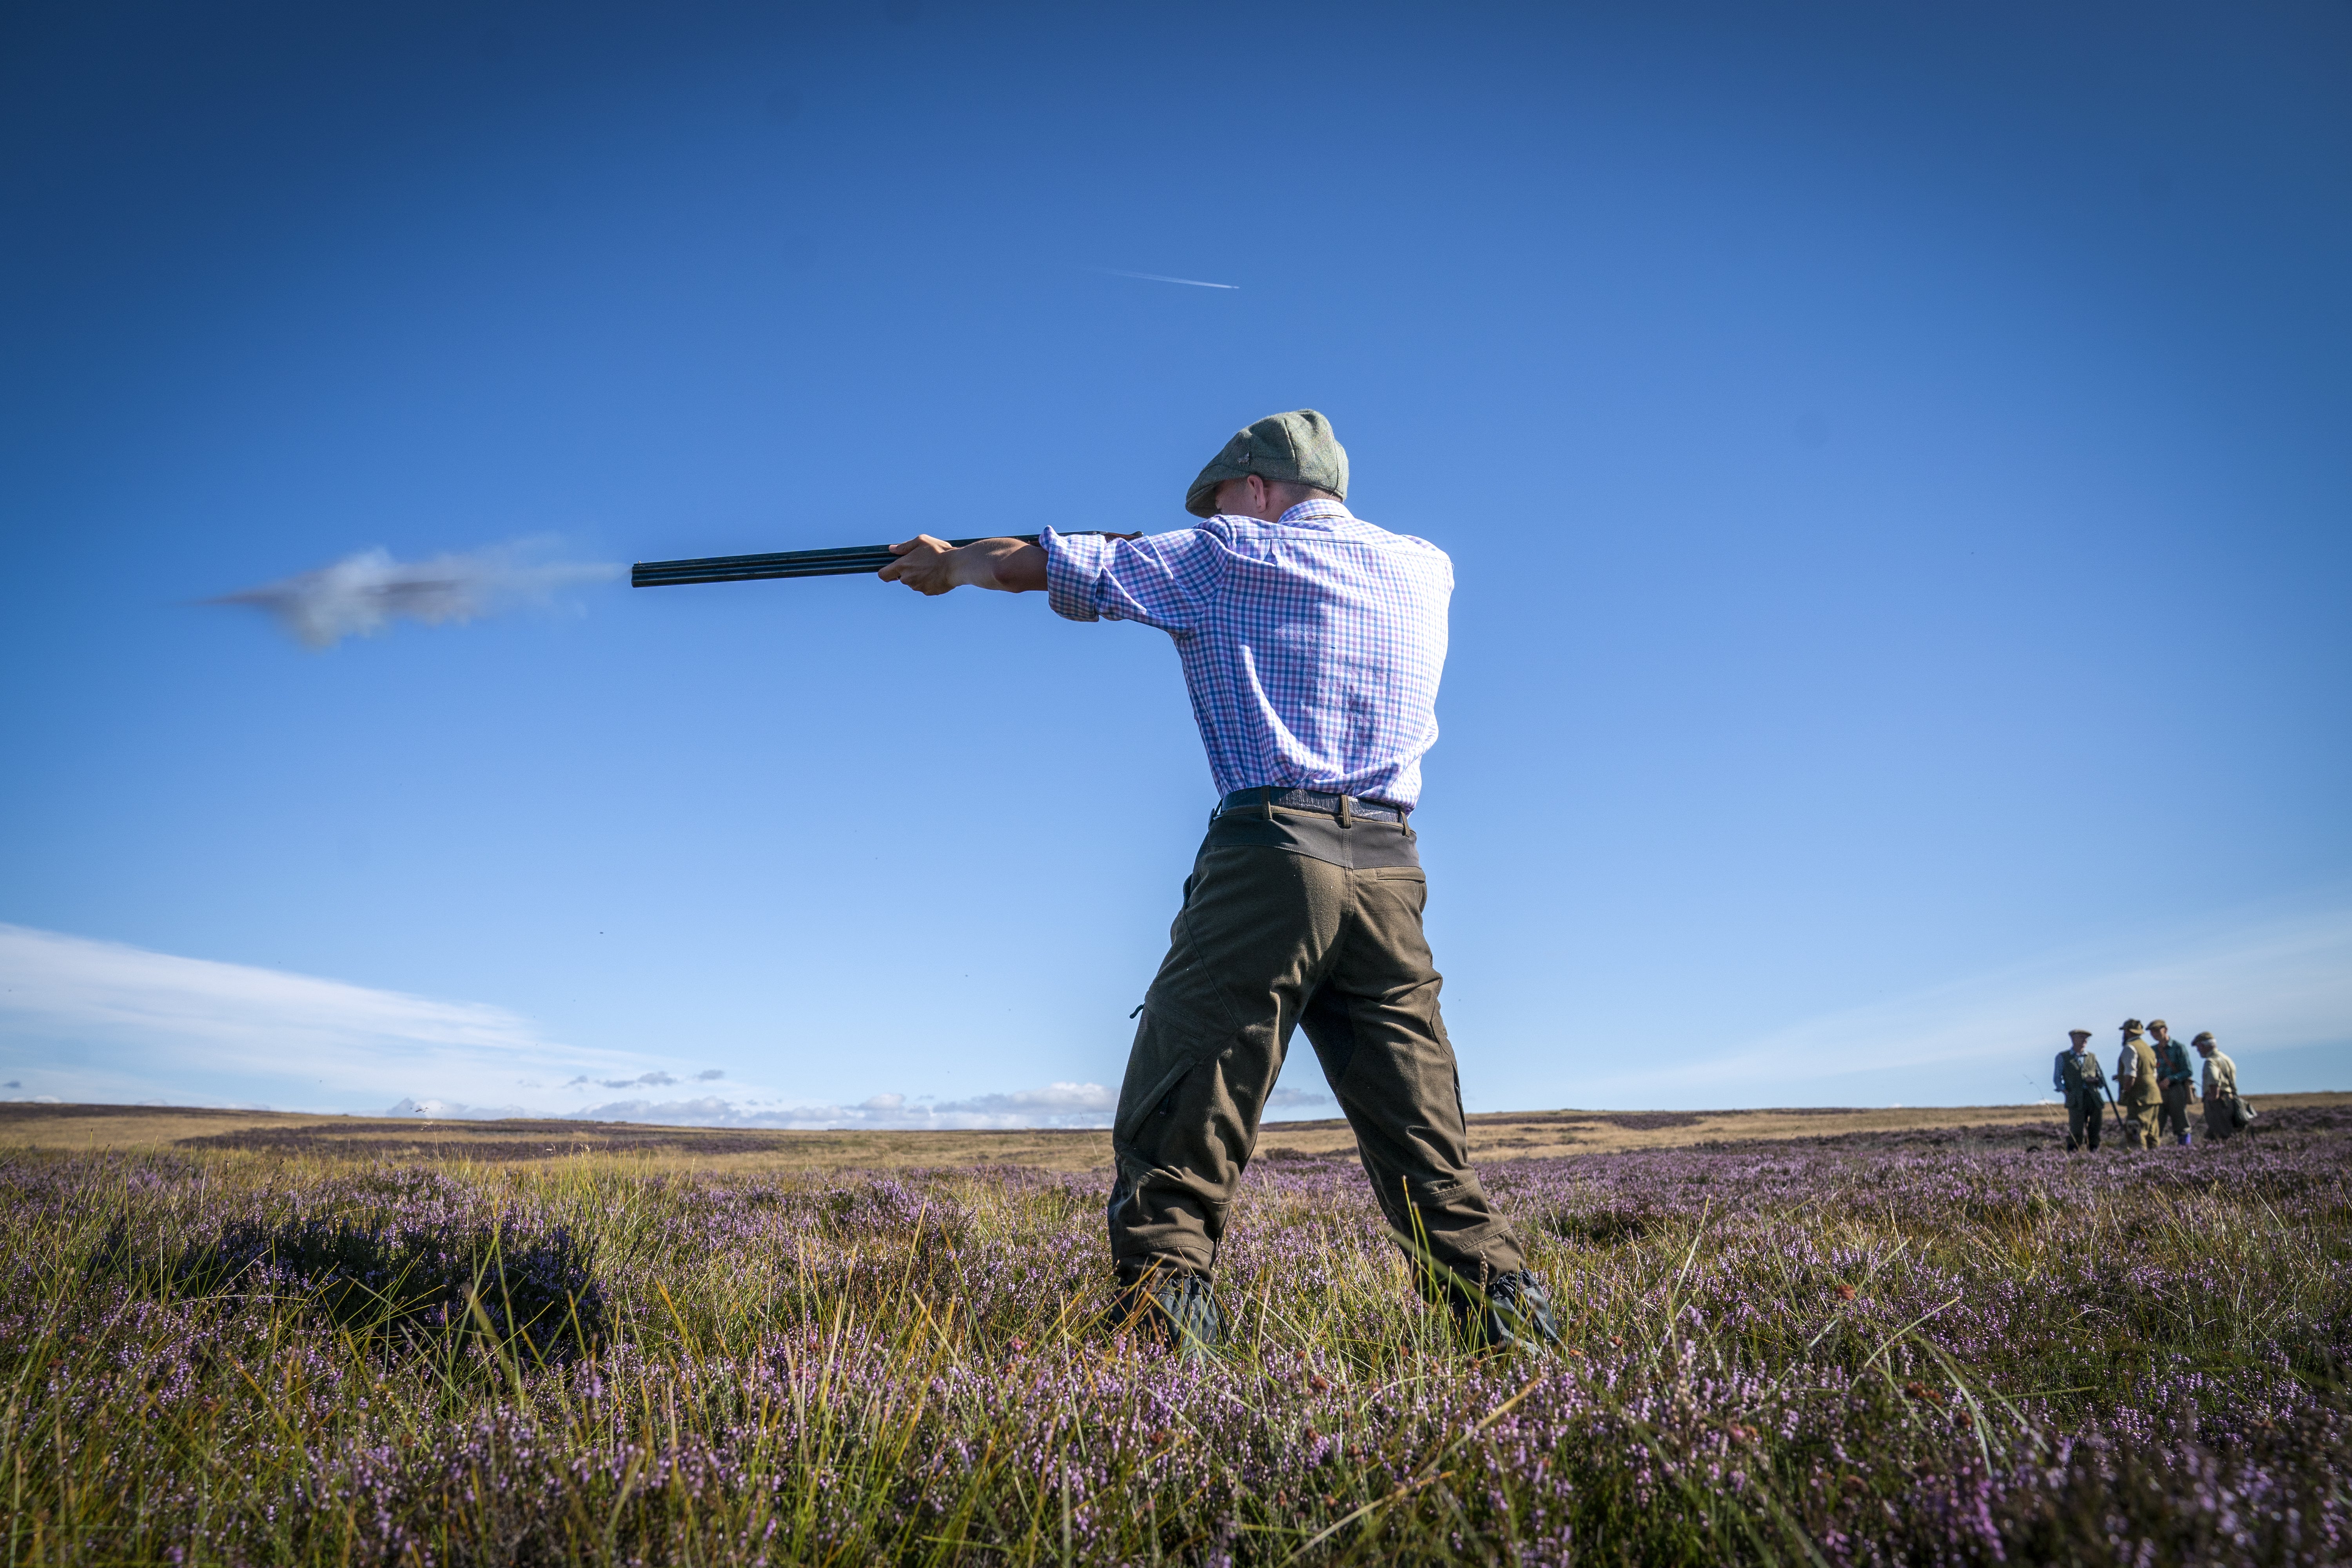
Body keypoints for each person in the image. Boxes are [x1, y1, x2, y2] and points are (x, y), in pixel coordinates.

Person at [877, 410, 1559, 1356]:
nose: (1211, 514)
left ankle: (1168, 1356)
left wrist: (949, 563)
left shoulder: (1230, 554)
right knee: (1423, 1138)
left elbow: (1042, 563)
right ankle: (1521, 1349)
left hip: (1273, 856)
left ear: (1260, 488)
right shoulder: (1424, 567)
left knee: (1186, 1100)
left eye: (1221, 498)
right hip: (1393, 872)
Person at [2052, 1029, 2107, 1151]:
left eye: (2086, 1038)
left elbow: (2102, 1080)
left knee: (2095, 1128)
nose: (2085, 1040)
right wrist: (2066, 1092)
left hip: (2094, 1098)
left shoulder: (2093, 1057)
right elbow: (2057, 1079)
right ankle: (2073, 1154)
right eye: (2082, 1037)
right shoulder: (2063, 1057)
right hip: (2075, 1098)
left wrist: (2095, 1081)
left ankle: (2094, 1153)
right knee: (2076, 1130)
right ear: (2073, 1039)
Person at [2147, 1018, 2196, 1145]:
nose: (2154, 1035)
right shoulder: (2151, 1050)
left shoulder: (2178, 1048)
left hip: (2176, 1090)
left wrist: (2171, 1079)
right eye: (2152, 1032)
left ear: (2166, 1030)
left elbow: (2188, 1071)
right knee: (2155, 1125)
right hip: (2158, 1091)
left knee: (2182, 1125)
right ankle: (2152, 1155)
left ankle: (2185, 1151)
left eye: (2157, 1031)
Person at [2114, 1019, 2161, 1149]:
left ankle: (2138, 1159)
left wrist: (2126, 1091)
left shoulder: (2130, 1048)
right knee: (2152, 1131)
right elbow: (2153, 1073)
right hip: (2154, 1094)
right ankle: (2156, 1159)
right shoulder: (2149, 1049)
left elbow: (2131, 1074)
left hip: (2139, 1097)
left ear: (2127, 1032)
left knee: (2136, 1129)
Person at [2196, 1032, 2241, 1143]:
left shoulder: (2211, 1061)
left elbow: (2214, 1079)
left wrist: (2213, 1097)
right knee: (2227, 1131)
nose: (2198, 1051)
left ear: (2203, 1046)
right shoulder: (2226, 1058)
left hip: (2219, 1102)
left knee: (2221, 1134)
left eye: (2198, 1047)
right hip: (2230, 1100)